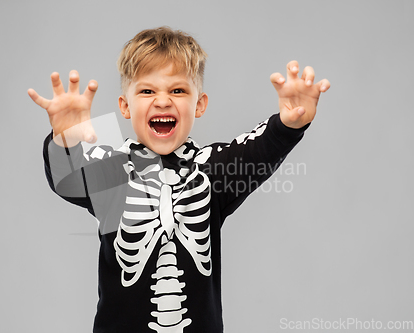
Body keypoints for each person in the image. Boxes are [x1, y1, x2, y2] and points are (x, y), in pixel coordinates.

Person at [28, 26, 330, 333]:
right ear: (124, 106)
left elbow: (257, 153)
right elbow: (67, 177)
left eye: (178, 90)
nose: (162, 101)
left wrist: (289, 124)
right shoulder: (114, 172)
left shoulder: (211, 171)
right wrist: (64, 139)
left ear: (199, 105)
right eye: (147, 91)